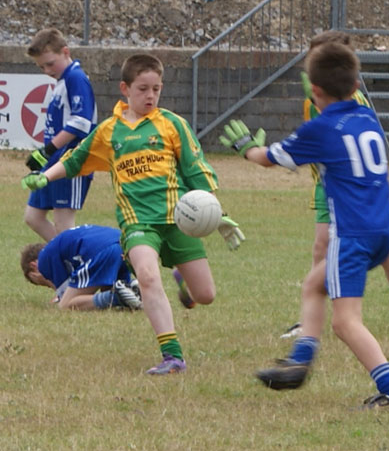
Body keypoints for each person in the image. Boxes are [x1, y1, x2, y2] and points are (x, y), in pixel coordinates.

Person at [22, 53, 244, 375]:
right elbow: (74, 159)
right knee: (148, 277)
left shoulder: (172, 124)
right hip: (137, 223)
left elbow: (196, 171)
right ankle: (173, 357)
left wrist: (218, 213)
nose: (150, 96)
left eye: (156, 89)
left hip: (178, 219)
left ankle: (182, 277)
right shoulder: (109, 132)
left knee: (205, 295)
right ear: (125, 88)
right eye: (143, 89)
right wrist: (46, 176)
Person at [219, 41, 389, 410]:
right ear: (356, 86)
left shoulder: (321, 127)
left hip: (352, 235)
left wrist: (246, 147)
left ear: (315, 90)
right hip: (383, 230)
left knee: (345, 323)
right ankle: (300, 360)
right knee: (314, 284)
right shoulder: (366, 116)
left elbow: (267, 159)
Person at [282, 30, 389, 340]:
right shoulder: (312, 97)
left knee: (384, 253)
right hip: (325, 183)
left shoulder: (352, 101)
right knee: (321, 245)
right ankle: (312, 319)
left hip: (354, 189)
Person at [23, 28, 97, 242]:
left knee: (64, 224)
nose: (46, 70)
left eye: (50, 63)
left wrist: (48, 150)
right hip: (54, 162)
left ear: (66, 52)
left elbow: (81, 122)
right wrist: (45, 154)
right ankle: (70, 260)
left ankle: (80, 265)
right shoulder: (62, 81)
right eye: (41, 66)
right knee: (33, 216)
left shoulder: (76, 77)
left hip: (71, 161)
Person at [20, 224, 142, 311]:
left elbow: (65, 294)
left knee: (66, 305)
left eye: (39, 282)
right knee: (111, 295)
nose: (46, 284)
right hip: (124, 244)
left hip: (103, 251)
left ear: (33, 265)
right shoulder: (59, 247)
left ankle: (117, 297)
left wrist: (58, 297)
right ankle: (133, 289)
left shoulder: (43, 260)